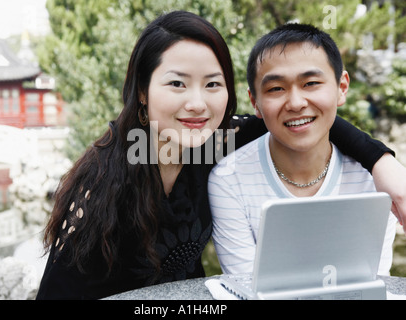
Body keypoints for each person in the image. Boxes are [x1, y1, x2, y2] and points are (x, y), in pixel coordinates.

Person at [37, 11, 402, 299]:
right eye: (177, 83)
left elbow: (302, 118)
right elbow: (59, 290)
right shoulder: (107, 178)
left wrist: (380, 161)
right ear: (143, 92)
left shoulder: (213, 142)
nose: (197, 104)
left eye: (212, 84)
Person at [208, 23, 397, 276]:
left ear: (342, 88)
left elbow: (371, 282)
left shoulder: (380, 182)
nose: (296, 103)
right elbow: (247, 289)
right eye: (276, 88)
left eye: (311, 83)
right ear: (255, 102)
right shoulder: (229, 180)